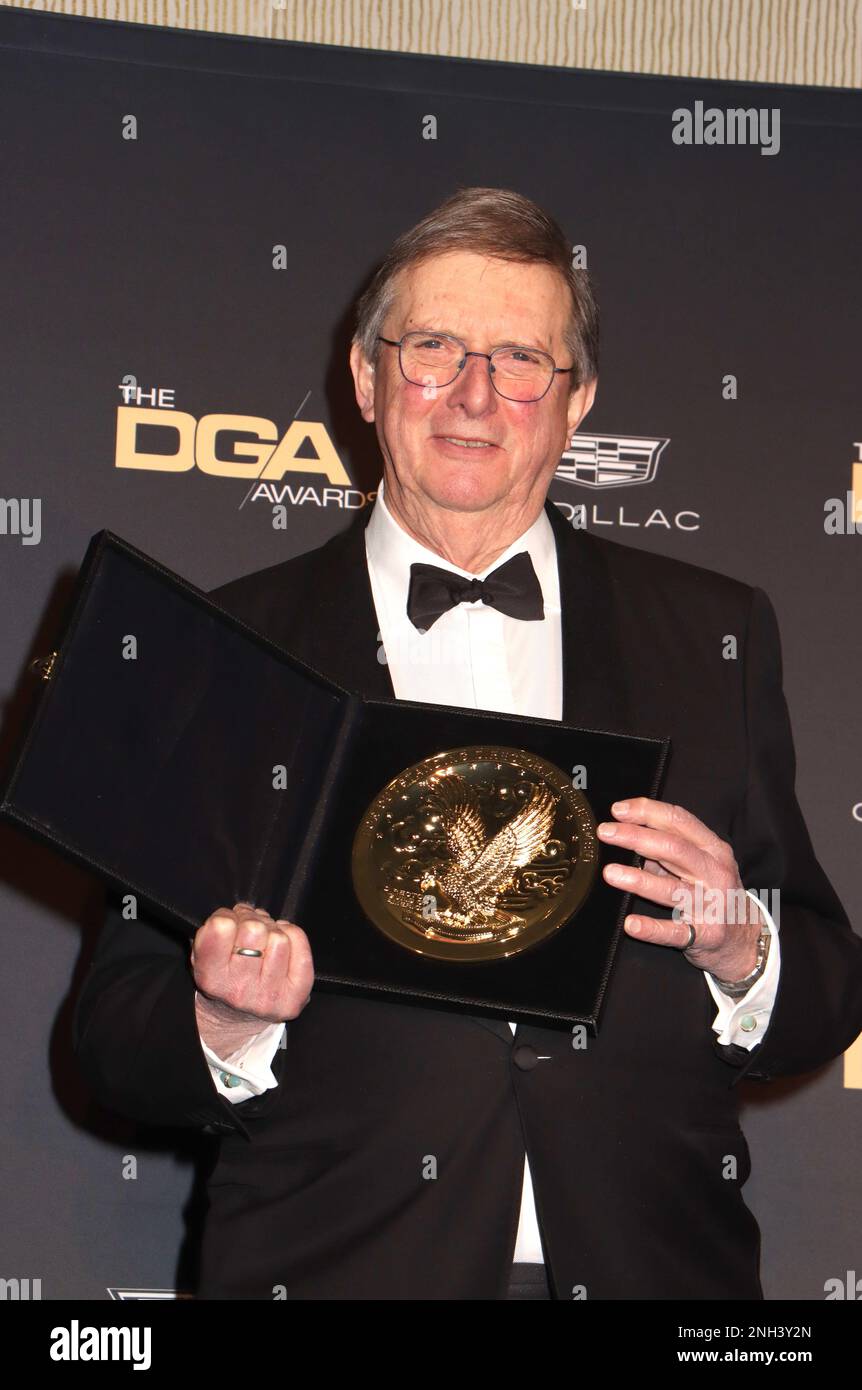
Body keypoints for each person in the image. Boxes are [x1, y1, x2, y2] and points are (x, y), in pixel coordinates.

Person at [73, 187, 862, 1301]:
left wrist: (739, 944)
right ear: (364, 376)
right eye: (433, 348)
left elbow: (825, 985)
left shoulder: (716, 633)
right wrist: (220, 1018)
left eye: (520, 359)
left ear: (577, 399)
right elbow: (111, 1030)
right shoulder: (229, 650)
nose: (474, 395)